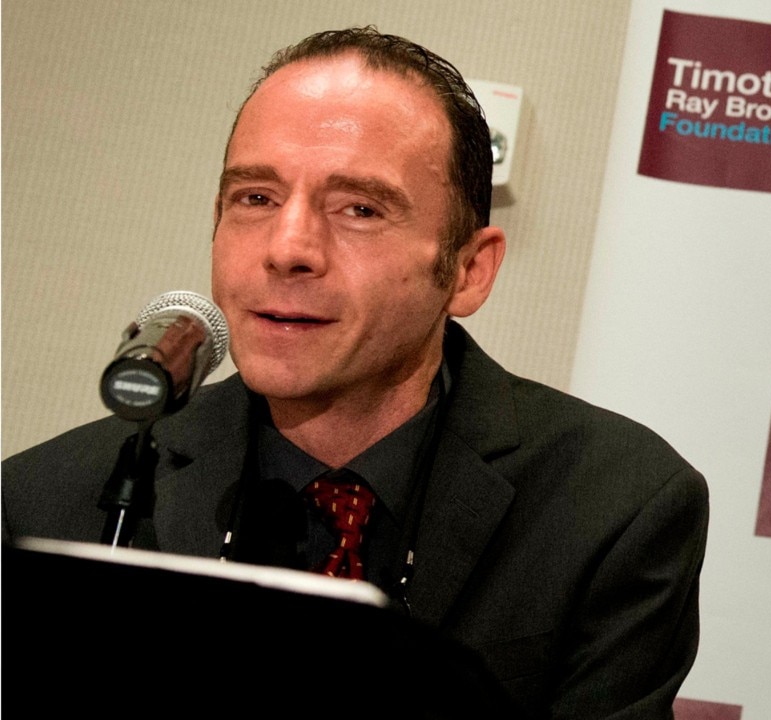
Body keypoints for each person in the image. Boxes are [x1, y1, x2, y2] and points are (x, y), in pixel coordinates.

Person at [2, 27, 709, 718]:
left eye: (360, 209)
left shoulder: (614, 508)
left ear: (468, 270)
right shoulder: (43, 503)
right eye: (256, 198)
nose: (288, 249)